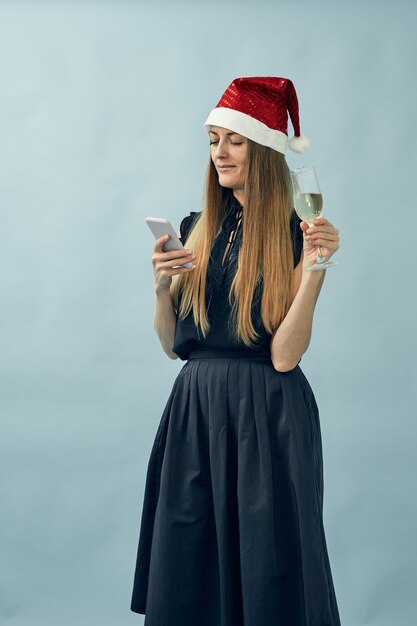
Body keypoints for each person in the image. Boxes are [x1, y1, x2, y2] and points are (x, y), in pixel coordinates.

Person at [130, 76, 342, 626]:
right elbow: (172, 346)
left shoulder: (298, 233)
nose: (218, 153)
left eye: (234, 140)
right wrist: (160, 286)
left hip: (267, 412)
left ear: (265, 151)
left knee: (266, 558)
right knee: (188, 553)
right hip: (195, 410)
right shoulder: (195, 228)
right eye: (212, 140)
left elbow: (285, 357)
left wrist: (316, 270)